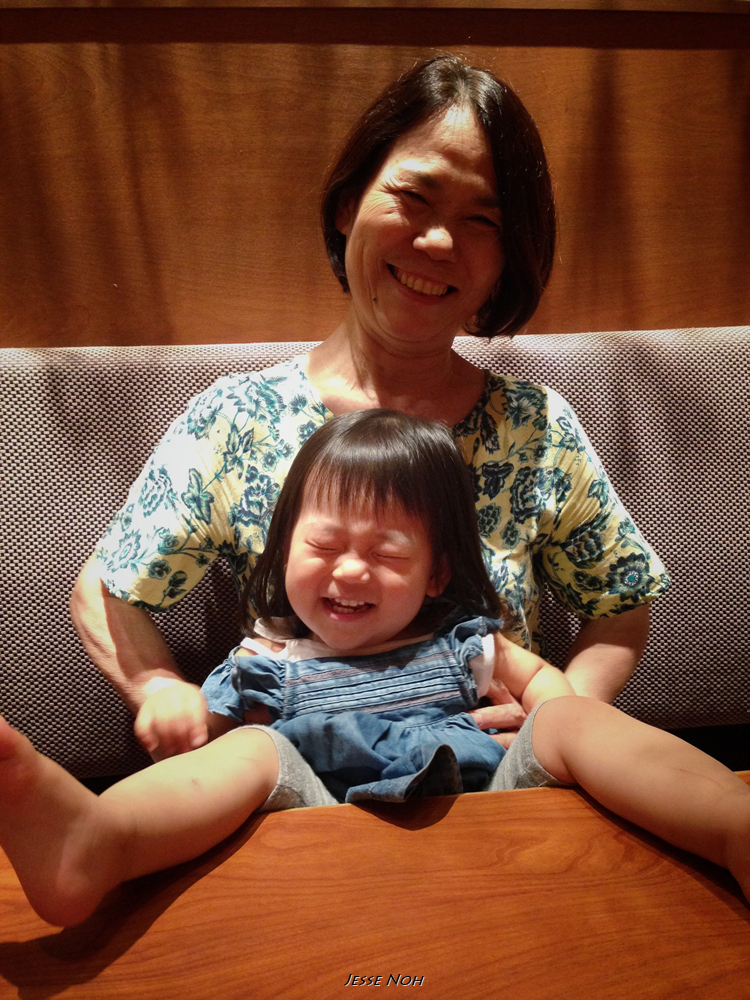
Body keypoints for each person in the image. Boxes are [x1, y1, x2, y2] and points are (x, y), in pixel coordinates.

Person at [69, 55, 669, 763]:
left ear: (507, 259)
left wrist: (558, 726)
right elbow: (106, 586)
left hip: (493, 792)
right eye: (414, 197)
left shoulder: (534, 429)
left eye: (482, 221)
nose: (439, 241)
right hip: (299, 789)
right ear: (348, 204)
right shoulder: (235, 420)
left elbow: (622, 602)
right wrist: (159, 690)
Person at [1, 410, 747, 929]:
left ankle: (730, 823)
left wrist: (548, 712)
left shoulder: (463, 642)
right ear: (282, 553)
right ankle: (98, 842)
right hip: (317, 819)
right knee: (253, 750)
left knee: (574, 713)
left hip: (489, 811)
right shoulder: (270, 657)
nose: (351, 570)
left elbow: (546, 693)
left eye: (387, 554)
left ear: (435, 573)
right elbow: (205, 747)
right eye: (323, 546)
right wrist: (177, 705)